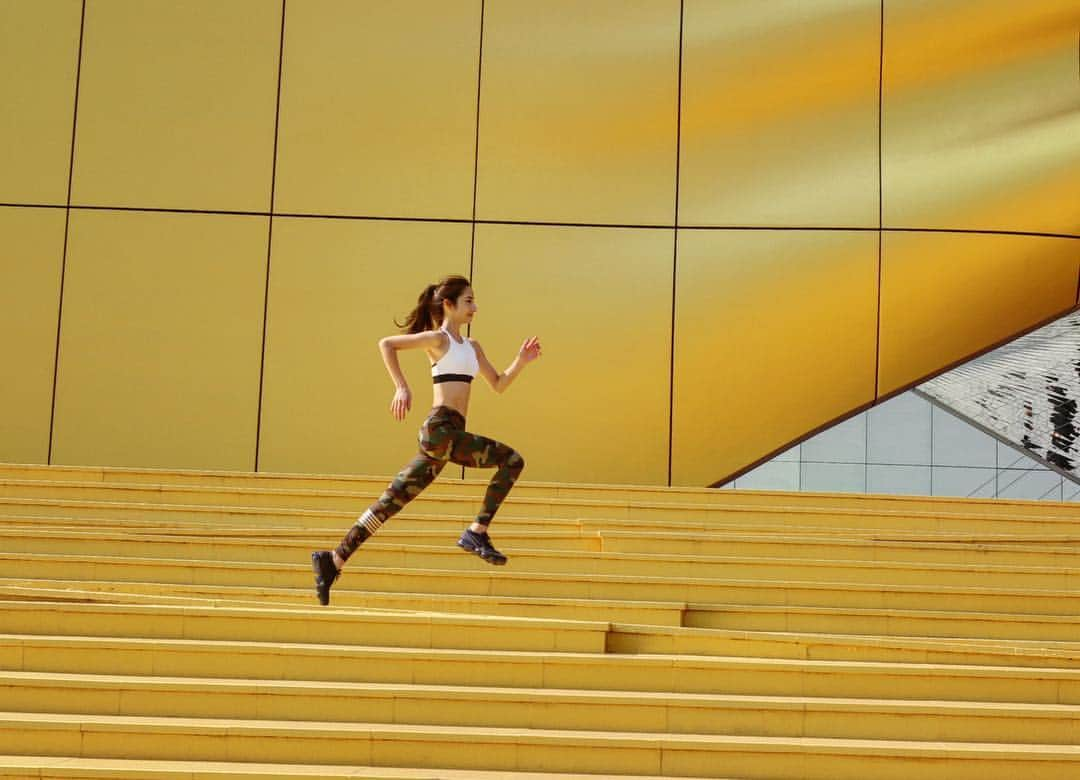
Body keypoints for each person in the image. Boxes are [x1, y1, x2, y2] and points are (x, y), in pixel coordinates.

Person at [310, 274, 542, 605]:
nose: (475, 307)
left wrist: (521, 361)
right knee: (512, 460)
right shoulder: (438, 339)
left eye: (474, 301)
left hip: (448, 437)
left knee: (389, 503)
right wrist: (401, 386)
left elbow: (499, 384)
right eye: (468, 301)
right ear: (448, 305)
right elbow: (386, 344)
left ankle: (333, 560)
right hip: (441, 430)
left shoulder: (473, 347)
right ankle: (476, 533)